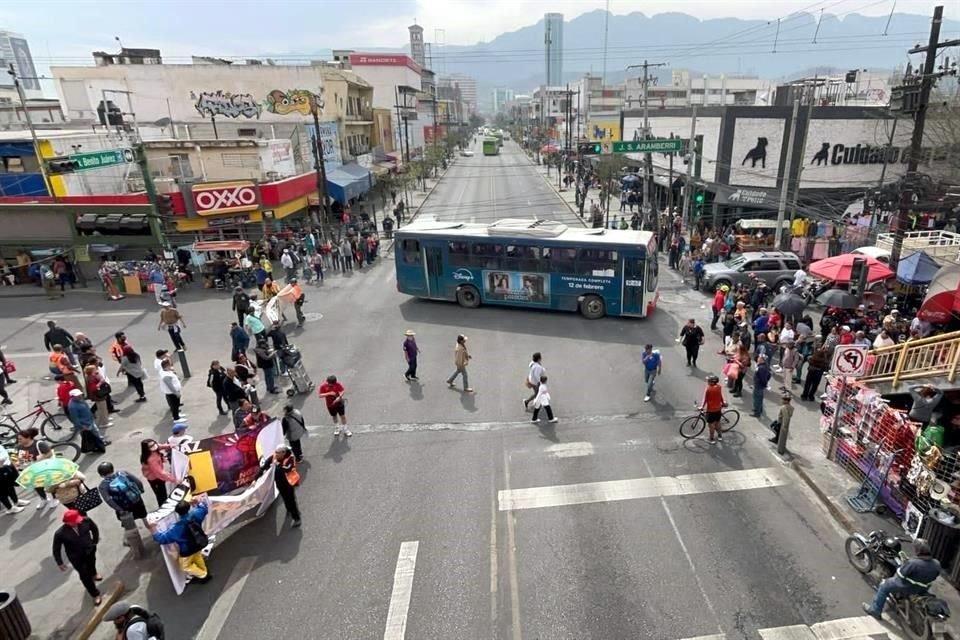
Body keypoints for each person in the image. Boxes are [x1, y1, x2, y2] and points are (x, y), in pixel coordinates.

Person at [863, 538, 941, 619]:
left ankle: (875, 610)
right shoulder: (936, 563)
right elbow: (935, 576)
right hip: (923, 588)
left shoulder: (913, 563)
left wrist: (903, 565)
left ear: (918, 551)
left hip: (907, 586)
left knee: (884, 586)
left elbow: (901, 575)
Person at [148, 496, 211, 583]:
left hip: (187, 551)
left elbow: (161, 539)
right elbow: (204, 508)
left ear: (177, 513)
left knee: (185, 566)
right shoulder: (196, 515)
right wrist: (197, 502)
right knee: (198, 557)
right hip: (198, 543)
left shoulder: (177, 528)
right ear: (188, 508)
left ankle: (203, 575)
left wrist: (153, 528)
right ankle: (204, 572)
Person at [53, 509, 103, 604]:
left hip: (89, 550)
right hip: (76, 557)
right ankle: (94, 594)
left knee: (92, 563)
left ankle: (94, 573)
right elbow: (56, 549)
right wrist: (59, 562)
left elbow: (94, 529)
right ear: (68, 522)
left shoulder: (86, 521)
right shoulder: (60, 533)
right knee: (84, 575)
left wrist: (94, 541)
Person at [260, 444, 302, 528]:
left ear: (283, 452)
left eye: (278, 453)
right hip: (280, 482)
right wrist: (255, 478)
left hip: (289, 482)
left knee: (291, 500)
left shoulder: (290, 458)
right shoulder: (274, 457)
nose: (276, 454)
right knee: (285, 497)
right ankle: (289, 509)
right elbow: (264, 467)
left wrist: (277, 465)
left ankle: (297, 518)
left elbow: (286, 469)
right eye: (276, 452)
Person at [16, 429, 58, 509]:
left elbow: (49, 453)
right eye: (18, 439)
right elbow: (23, 458)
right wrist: (20, 461)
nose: (19, 440)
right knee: (37, 485)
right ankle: (44, 499)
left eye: (20, 439)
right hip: (32, 469)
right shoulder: (20, 447)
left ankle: (55, 498)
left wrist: (41, 457)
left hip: (44, 467)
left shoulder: (39, 444)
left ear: (28, 438)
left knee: (50, 483)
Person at [140, 439, 176, 508]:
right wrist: (174, 479)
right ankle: (164, 509)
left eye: (154, 444)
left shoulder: (151, 451)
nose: (154, 446)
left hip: (156, 477)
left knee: (162, 494)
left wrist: (170, 446)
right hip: (155, 479)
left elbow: (160, 446)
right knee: (161, 497)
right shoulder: (151, 459)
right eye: (151, 446)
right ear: (146, 448)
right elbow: (160, 473)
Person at [0, 443, 29, 514]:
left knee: (10, 486)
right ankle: (9, 508)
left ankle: (16, 501)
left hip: (6, 465)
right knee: (2, 491)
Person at [701, 375, 727, 444]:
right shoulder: (719, 387)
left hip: (711, 411)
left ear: (711, 383)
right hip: (718, 409)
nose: (707, 382)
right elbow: (720, 396)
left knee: (711, 425)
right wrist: (723, 402)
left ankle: (711, 438)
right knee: (718, 423)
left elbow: (705, 400)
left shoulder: (708, 389)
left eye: (708, 381)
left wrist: (701, 407)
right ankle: (720, 436)